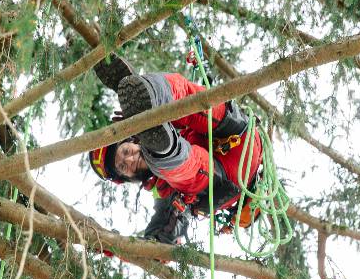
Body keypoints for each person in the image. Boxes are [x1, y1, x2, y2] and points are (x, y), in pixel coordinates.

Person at [88, 56, 263, 244]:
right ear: (128, 178)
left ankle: (152, 94)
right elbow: (163, 237)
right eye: (123, 166)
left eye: (125, 152)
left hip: (237, 135)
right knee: (178, 166)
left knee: (187, 104)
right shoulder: (163, 190)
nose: (129, 160)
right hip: (223, 178)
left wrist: (141, 117)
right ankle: (165, 149)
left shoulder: (176, 129)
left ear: (131, 141)